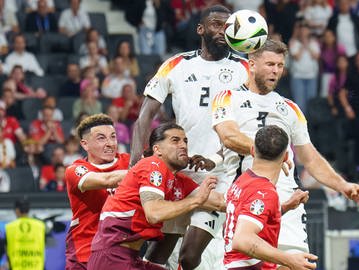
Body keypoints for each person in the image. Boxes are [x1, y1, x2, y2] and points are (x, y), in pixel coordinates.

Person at [212, 39, 359, 260]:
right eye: (269, 64)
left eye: (279, 65)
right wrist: (269, 152)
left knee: (296, 264)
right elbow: (228, 136)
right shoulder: (227, 98)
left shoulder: (290, 108)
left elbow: (311, 158)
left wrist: (343, 186)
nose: (275, 71)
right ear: (252, 64)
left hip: (287, 201)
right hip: (246, 200)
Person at [130, 5, 249, 269]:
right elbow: (145, 114)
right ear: (201, 29)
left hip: (219, 174)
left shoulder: (244, 67)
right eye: (217, 25)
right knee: (157, 254)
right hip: (179, 172)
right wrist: (136, 159)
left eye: (228, 27)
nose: (222, 31)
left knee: (189, 256)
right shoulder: (177, 65)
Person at [87, 123, 224, 270]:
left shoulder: (179, 181)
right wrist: (196, 201)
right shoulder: (152, 165)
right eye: (175, 140)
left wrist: (247, 189)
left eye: (185, 141)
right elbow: (154, 213)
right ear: (157, 149)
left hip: (130, 256)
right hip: (112, 257)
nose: (183, 145)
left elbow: (220, 203)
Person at [224, 125, 317, 269]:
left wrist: (285, 207)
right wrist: (289, 260)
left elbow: (251, 217)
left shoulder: (243, 180)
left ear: (253, 151)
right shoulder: (264, 192)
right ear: (286, 156)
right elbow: (242, 240)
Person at [64, 114, 129, 269]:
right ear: (85, 144)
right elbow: (106, 180)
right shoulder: (75, 170)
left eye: (113, 137)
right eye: (101, 138)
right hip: (85, 254)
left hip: (121, 254)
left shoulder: (128, 161)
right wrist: (139, 172)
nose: (110, 143)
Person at [5, 197, 45, 270]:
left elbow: (4, 248)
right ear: (28, 210)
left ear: (17, 210)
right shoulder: (40, 226)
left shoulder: (9, 227)